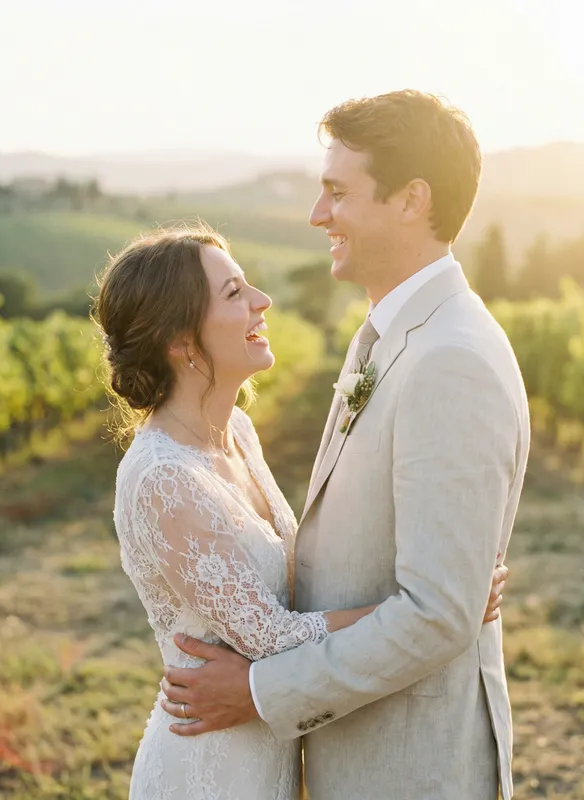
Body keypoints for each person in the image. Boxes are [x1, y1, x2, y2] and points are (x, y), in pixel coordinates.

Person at [158, 90, 530, 800]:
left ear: (411, 200)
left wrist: (263, 690)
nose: (317, 214)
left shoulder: (450, 359)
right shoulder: (392, 336)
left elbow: (438, 614)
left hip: (411, 771)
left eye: (337, 192)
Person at [94, 219, 510, 800]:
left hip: (268, 751)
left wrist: (444, 581)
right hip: (211, 766)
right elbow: (272, 638)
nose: (262, 300)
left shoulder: (238, 433)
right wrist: (437, 605)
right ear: (181, 341)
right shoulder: (161, 478)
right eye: (234, 293)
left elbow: (292, 579)